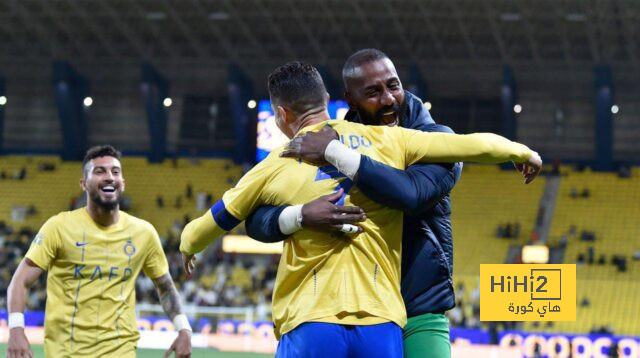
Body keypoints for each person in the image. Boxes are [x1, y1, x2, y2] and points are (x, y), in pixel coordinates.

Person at [179, 61, 541, 357]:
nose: (387, 98)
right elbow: (475, 144)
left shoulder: (273, 164)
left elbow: (207, 227)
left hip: (312, 320)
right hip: (382, 324)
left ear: (280, 115)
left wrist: (189, 247)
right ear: (330, 98)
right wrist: (521, 151)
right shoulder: (390, 140)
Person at [6, 145, 192, 358]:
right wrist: (16, 329)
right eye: (99, 171)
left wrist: (183, 327)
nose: (109, 177)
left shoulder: (144, 233)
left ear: (123, 183)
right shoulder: (58, 227)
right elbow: (20, 281)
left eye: (115, 171)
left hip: (120, 351)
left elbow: (166, 286)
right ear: (83, 184)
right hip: (65, 352)